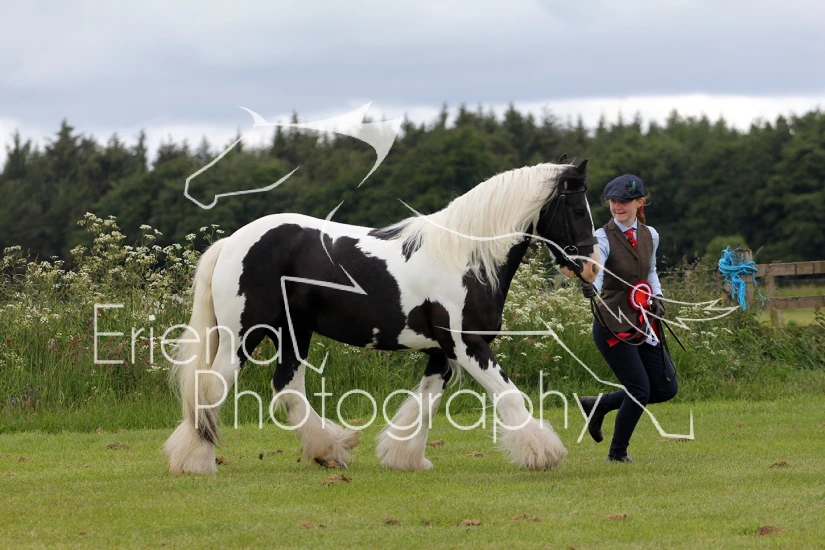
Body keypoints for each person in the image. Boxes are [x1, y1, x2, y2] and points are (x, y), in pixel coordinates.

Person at [578, 174, 678, 463]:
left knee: (665, 388)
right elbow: (596, 269)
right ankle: (617, 454)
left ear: (639, 202)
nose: (617, 206)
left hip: (643, 321)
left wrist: (658, 297)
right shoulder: (602, 237)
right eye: (613, 201)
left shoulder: (651, 235)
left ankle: (599, 404)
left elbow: (651, 271)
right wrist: (592, 288)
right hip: (612, 323)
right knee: (638, 389)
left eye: (624, 201)